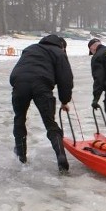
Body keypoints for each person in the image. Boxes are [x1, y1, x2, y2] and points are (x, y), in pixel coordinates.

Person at [10, 34, 73, 172]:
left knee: (19, 119)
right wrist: (64, 100)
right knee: (50, 123)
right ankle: (61, 157)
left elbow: (21, 67)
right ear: (61, 45)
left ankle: (21, 157)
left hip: (19, 84)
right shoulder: (59, 52)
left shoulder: (30, 48)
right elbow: (66, 78)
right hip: (42, 86)